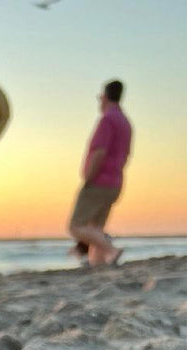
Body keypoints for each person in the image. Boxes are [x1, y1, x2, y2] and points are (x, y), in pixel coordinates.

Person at [68, 80, 132, 267]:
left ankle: (111, 250)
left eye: (99, 97)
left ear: (105, 96)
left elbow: (99, 152)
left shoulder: (108, 120)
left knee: (76, 226)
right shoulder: (125, 122)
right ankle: (100, 263)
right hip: (115, 181)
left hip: (99, 180)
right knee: (95, 228)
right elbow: (126, 154)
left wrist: (89, 177)